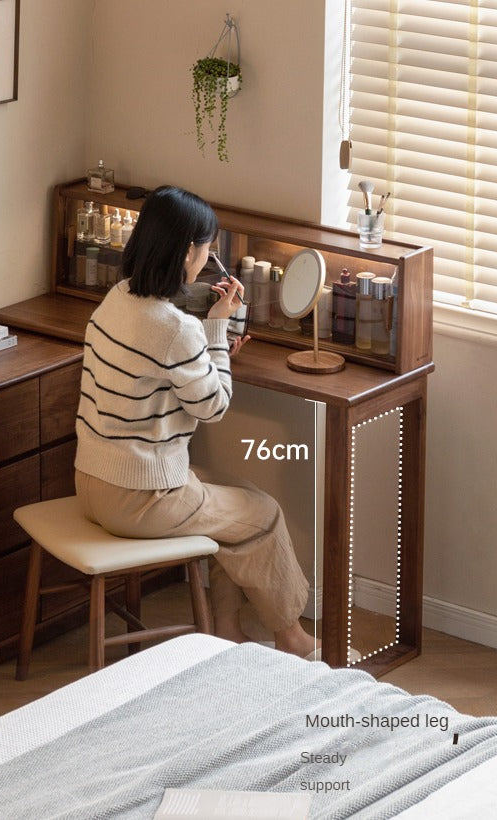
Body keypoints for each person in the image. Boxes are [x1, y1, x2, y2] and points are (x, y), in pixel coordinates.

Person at [74, 185, 318, 658]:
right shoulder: (176, 328)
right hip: (140, 498)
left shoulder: (116, 298)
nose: (209, 257)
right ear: (189, 251)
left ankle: (226, 630)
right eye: (208, 248)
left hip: (92, 482)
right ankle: (293, 639)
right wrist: (217, 333)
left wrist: (208, 347)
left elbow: (161, 370)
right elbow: (215, 406)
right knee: (263, 514)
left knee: (237, 502)